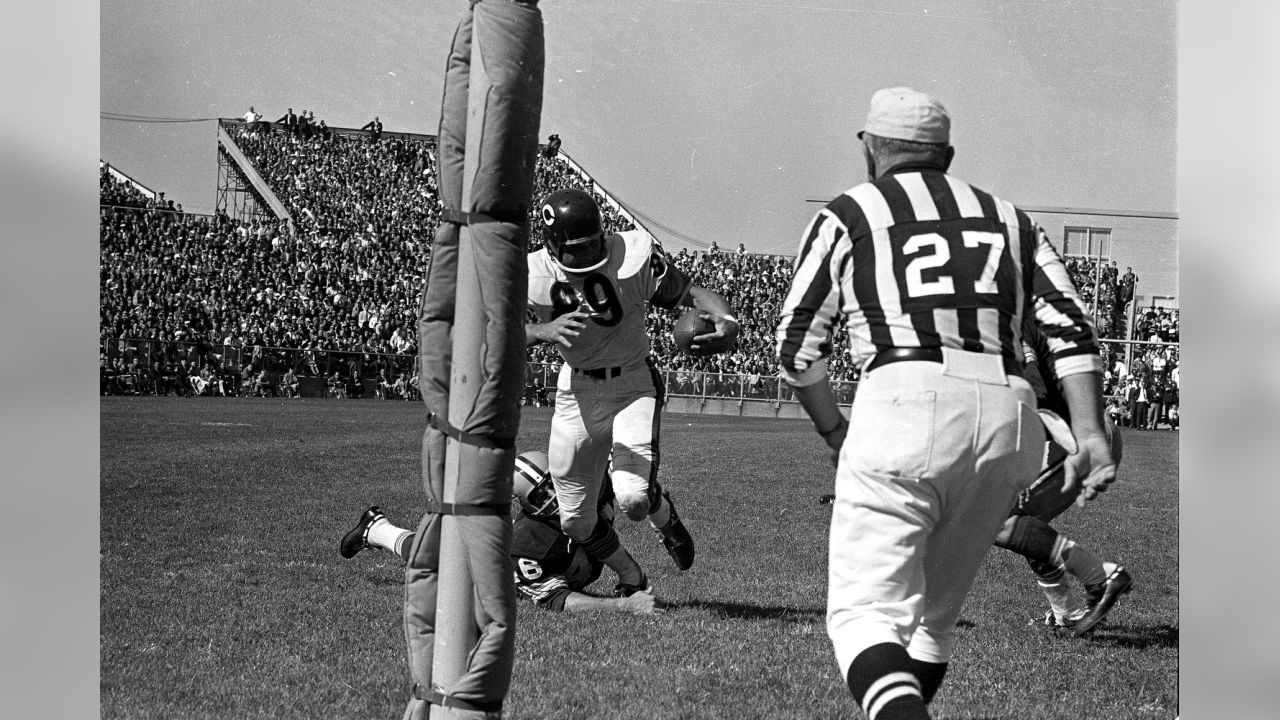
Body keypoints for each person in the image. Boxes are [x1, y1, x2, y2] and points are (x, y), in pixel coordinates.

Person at [775, 87, 1116, 719]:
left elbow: (796, 346)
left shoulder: (851, 212)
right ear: (948, 155)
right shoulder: (1012, 218)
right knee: (931, 622)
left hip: (905, 395)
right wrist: (1090, 430)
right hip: (1010, 413)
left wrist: (833, 432)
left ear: (870, 148)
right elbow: (1070, 325)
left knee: (863, 615)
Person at [525, 188, 739, 596]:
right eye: (578, 249)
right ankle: (632, 575)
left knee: (633, 500)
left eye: (594, 244)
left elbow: (690, 293)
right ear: (551, 244)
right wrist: (540, 331)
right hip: (577, 390)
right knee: (575, 521)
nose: (589, 255)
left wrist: (728, 319)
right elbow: (493, 330)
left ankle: (662, 513)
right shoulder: (530, 272)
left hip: (633, 384)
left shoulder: (632, 252)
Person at [339, 451, 657, 615]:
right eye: (544, 497)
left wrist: (632, 576)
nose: (554, 501)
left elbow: (601, 533)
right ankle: (378, 530)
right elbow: (556, 599)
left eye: (553, 489)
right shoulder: (529, 550)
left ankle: (377, 528)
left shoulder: (587, 493)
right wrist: (621, 607)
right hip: (502, 565)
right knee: (439, 559)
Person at [992, 321, 1132, 637]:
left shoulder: (1013, 321)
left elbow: (1033, 392)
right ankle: (1066, 613)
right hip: (1072, 431)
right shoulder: (1011, 318)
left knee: (999, 516)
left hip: (1079, 436)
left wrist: (1018, 465)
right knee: (1022, 525)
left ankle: (1102, 577)